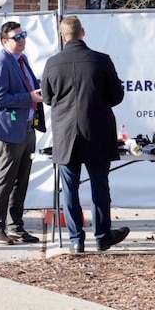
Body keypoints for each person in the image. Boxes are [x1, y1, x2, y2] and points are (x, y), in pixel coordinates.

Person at [41, 16, 130, 253]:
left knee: (69, 188)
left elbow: (48, 99)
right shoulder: (101, 60)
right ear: (83, 32)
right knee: (100, 185)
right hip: (97, 131)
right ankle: (102, 237)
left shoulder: (52, 63)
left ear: (63, 37)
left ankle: (76, 240)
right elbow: (117, 96)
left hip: (65, 133)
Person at [0, 21, 46, 245]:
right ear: (4, 41)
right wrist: (29, 97)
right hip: (10, 130)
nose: (22, 40)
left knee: (20, 181)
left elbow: (28, 88)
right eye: (17, 38)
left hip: (26, 127)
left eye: (23, 35)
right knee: (6, 180)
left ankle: (15, 227)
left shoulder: (22, 59)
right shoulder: (2, 62)